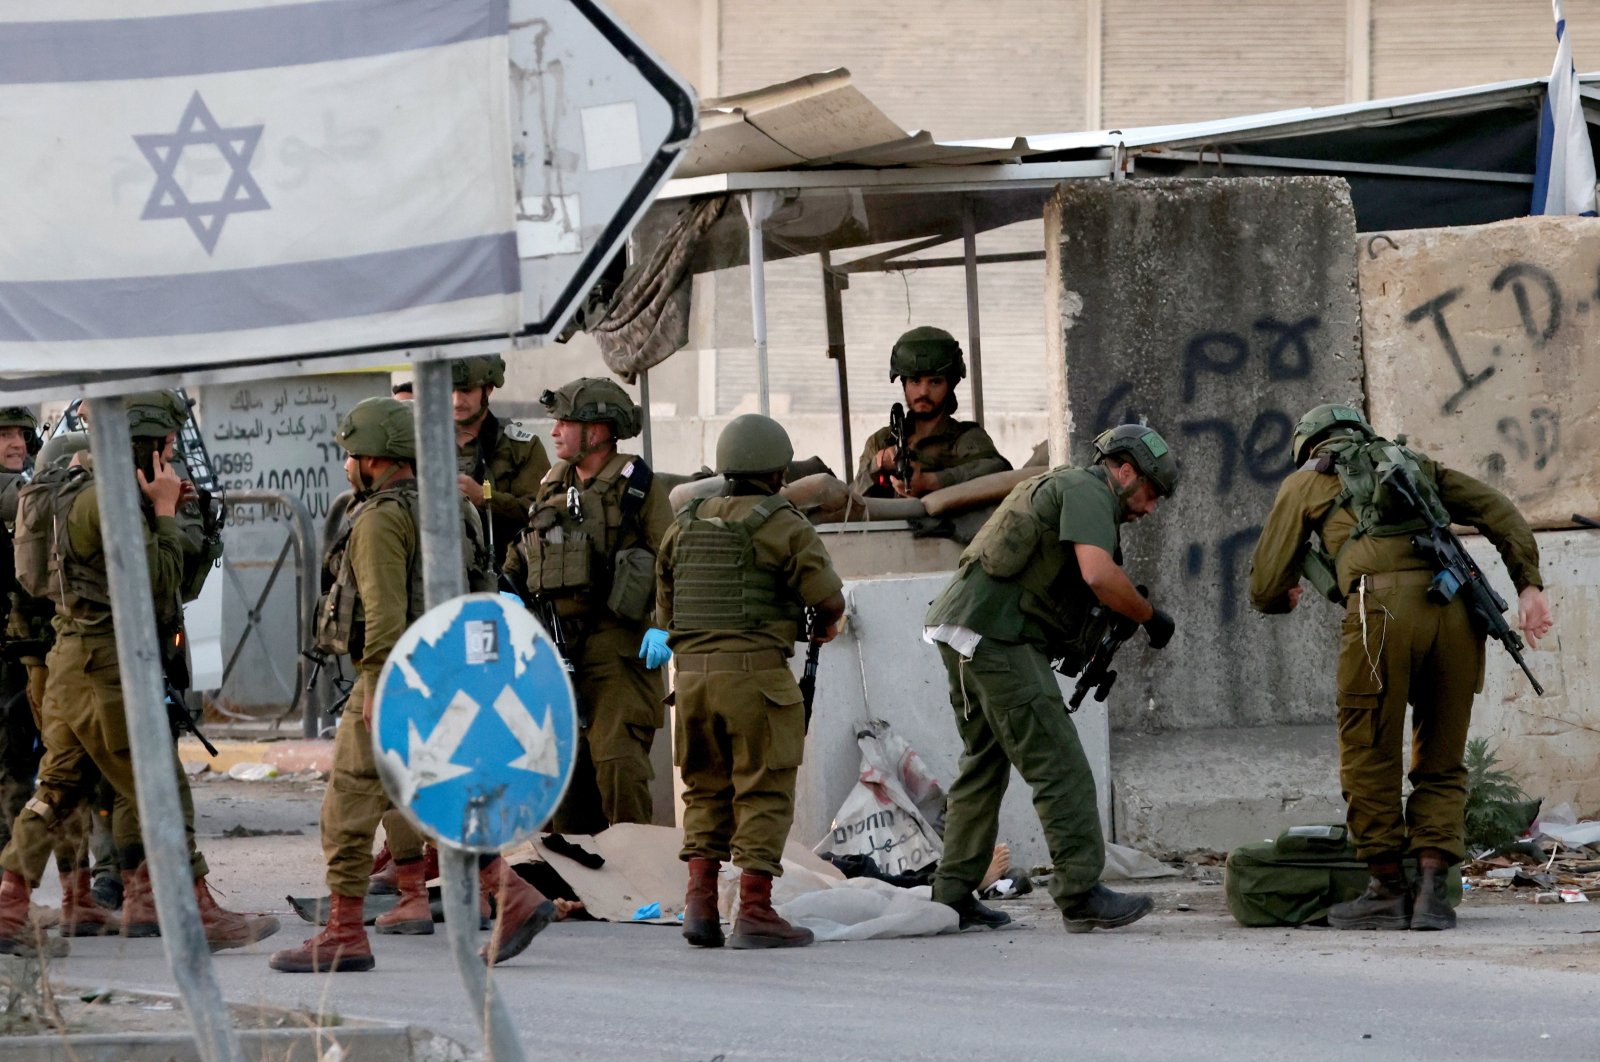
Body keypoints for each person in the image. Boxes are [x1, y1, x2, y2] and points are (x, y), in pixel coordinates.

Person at [270, 398, 555, 974]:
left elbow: (383, 615)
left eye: (352, 455)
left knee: (347, 806)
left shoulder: (379, 520)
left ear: (373, 458)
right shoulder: (454, 509)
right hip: (451, 678)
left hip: (397, 677)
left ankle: (344, 932)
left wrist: (376, 685)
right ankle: (515, 895)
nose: (347, 464)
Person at [1248, 403, 1552, 931]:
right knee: (1441, 754)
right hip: (1457, 614)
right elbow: (1498, 509)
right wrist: (1528, 586)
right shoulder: (1413, 463)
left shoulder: (1305, 483)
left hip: (1381, 616)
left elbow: (1266, 583)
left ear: (1310, 447)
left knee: (1370, 749)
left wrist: (1289, 592)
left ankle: (1387, 887)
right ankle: (1433, 892)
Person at [0, 393, 278, 955]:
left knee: (55, 790)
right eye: (167, 443)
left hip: (72, 657)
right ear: (144, 445)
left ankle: (9, 904)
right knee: (160, 786)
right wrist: (169, 514)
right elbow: (157, 585)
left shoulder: (69, 491)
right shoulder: (113, 502)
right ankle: (191, 905)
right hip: (110, 663)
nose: (173, 453)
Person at [924, 425, 1179, 933]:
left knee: (984, 763)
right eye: (1151, 492)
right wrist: (1150, 616)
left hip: (960, 629)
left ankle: (952, 895)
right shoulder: (1089, 489)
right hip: (997, 636)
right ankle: (1080, 891)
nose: (1150, 508)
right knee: (1058, 761)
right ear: (1124, 471)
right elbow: (1098, 574)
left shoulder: (1061, 486)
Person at [658, 414, 846, 950]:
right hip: (755, 677)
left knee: (704, 789)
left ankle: (699, 908)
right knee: (762, 788)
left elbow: (666, 607)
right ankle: (756, 912)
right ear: (778, 470)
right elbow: (828, 600)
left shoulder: (684, 523)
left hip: (690, 679)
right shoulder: (783, 522)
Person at [503, 378, 673, 834]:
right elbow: (525, 548)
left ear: (597, 432)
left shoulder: (637, 486)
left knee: (619, 762)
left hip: (618, 646)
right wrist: (509, 589)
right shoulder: (552, 484)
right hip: (558, 648)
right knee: (561, 771)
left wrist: (664, 624)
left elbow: (673, 558)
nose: (555, 432)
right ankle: (574, 882)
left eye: (566, 423)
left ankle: (639, 877)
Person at [851, 326, 1010, 498]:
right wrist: (877, 465)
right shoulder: (882, 441)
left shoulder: (964, 438)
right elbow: (851, 503)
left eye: (935, 382)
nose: (923, 392)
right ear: (904, 384)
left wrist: (931, 481)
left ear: (950, 385)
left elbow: (998, 470)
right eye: (915, 381)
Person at [451, 354, 550, 570]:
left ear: (488, 389)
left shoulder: (521, 447)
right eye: (450, 390)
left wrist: (485, 498)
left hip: (506, 574)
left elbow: (542, 513)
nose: (457, 401)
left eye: (466, 391)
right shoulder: (425, 448)